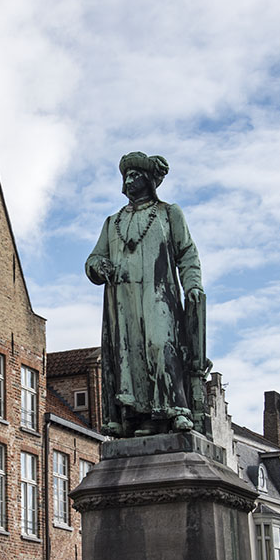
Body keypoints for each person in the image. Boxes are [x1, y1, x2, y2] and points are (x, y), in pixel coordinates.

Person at [85, 151, 204, 437]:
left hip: (158, 293)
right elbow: (92, 259)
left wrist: (193, 285)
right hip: (122, 301)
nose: (129, 179)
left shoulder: (168, 213)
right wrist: (99, 266)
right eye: (126, 175)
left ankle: (176, 409)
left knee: (161, 344)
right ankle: (145, 417)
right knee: (131, 354)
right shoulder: (112, 222)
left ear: (150, 180)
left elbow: (187, 254)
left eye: (136, 174)